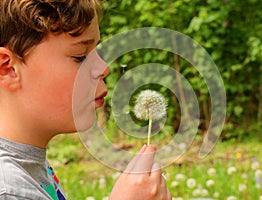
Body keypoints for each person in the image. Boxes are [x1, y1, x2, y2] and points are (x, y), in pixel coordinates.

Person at [0, 0, 172, 199]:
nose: (104, 68)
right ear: (8, 69)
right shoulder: (10, 189)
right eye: (80, 56)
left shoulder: (29, 165)